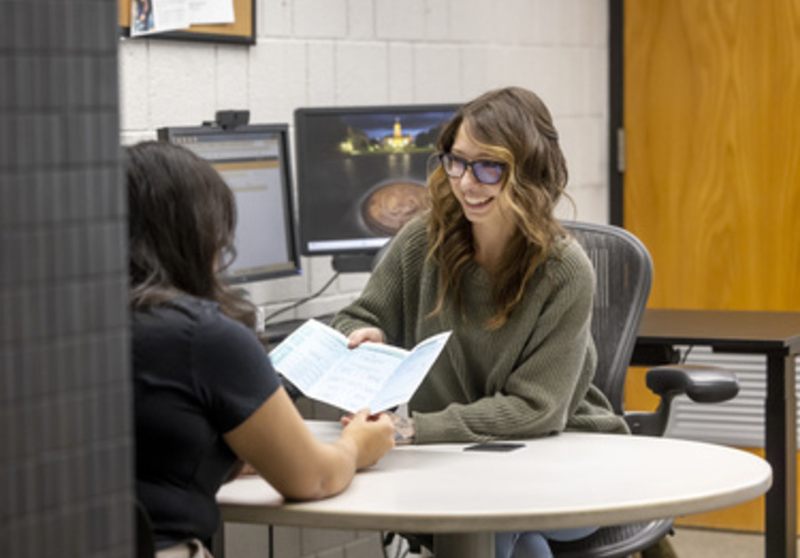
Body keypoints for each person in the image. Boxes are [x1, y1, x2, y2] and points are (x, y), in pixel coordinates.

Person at [332, 87, 629, 558]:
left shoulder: (564, 270)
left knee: (498, 529)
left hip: (562, 453)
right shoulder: (420, 241)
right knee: (520, 543)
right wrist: (364, 335)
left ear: (530, 173)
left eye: (489, 166)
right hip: (458, 461)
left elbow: (537, 409)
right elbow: (356, 317)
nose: (467, 182)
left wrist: (413, 429)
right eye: (457, 161)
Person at [129, 141, 395, 558]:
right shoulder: (204, 337)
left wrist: (228, 456)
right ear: (199, 235)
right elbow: (314, 480)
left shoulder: (69, 328)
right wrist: (359, 444)